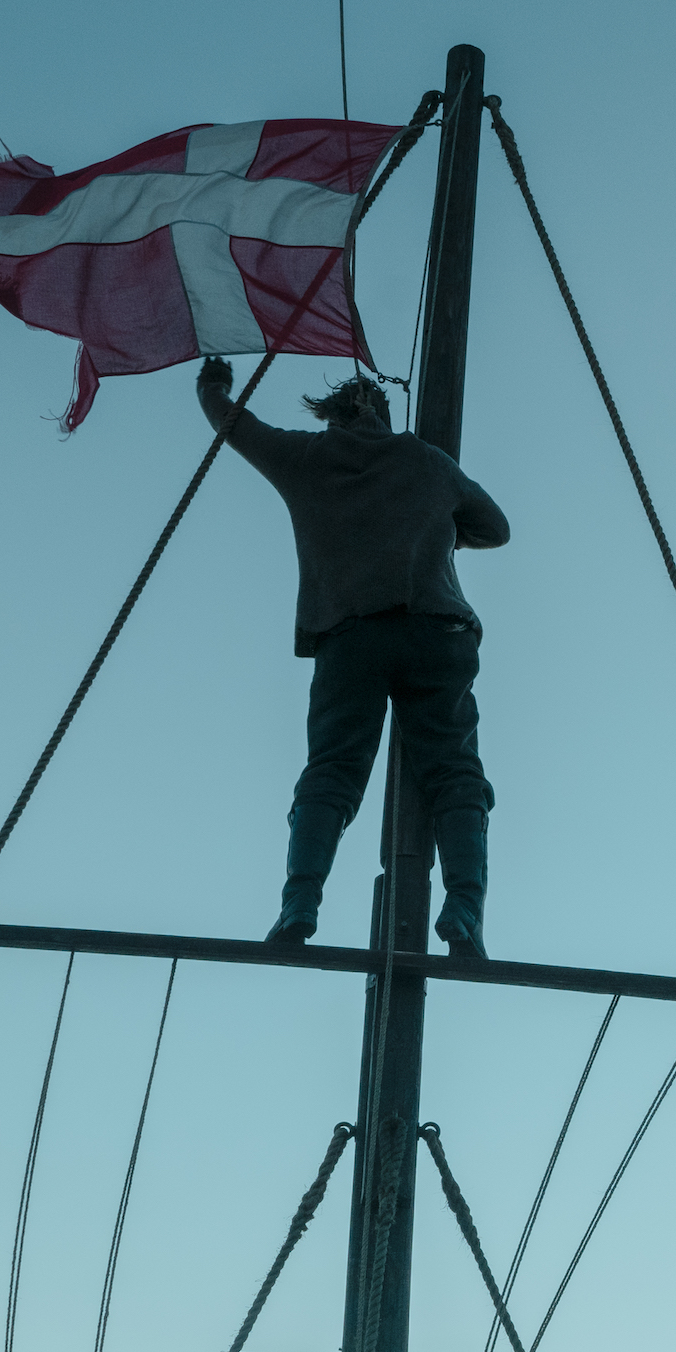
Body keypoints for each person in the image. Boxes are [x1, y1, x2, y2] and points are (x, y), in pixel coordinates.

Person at [196, 356, 513, 955]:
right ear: (381, 412)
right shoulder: (425, 459)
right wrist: (436, 530)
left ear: (333, 415)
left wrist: (210, 387)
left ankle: (298, 908)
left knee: (332, 774)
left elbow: (235, 426)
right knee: (453, 772)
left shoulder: (305, 459)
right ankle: (464, 911)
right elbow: (495, 527)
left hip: (350, 639)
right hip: (436, 632)